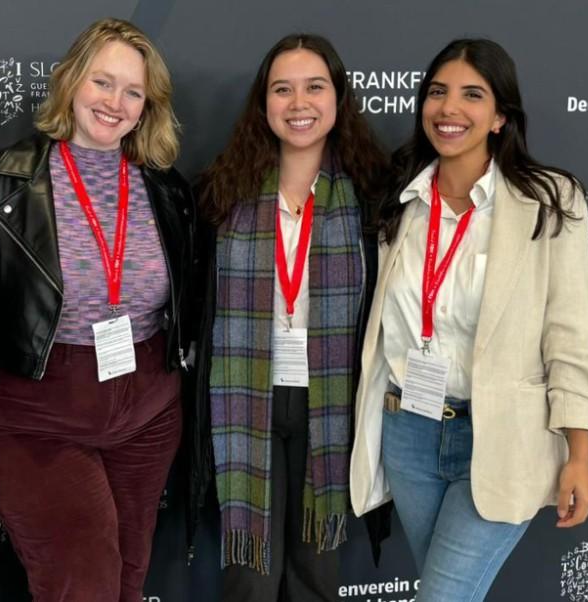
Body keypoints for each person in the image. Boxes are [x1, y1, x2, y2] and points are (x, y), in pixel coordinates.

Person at [348, 38, 588, 601]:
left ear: (499, 116)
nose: (449, 109)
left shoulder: (551, 202)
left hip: (501, 437)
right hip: (408, 432)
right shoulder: (400, 196)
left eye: (472, 94)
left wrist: (580, 455)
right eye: (437, 93)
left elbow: (572, 340)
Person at [0, 18, 194, 602]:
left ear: (147, 107)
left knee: (128, 579)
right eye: (102, 82)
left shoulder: (167, 189)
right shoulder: (0, 181)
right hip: (40, 413)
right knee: (80, 586)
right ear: (70, 83)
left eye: (133, 91)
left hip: (148, 409)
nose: (114, 103)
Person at [191, 33, 388, 602]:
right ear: (264, 103)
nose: (298, 103)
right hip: (244, 396)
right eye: (282, 89)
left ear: (338, 98)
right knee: (249, 580)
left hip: (332, 400)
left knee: (316, 574)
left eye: (314, 87)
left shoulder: (372, 197)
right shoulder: (222, 194)